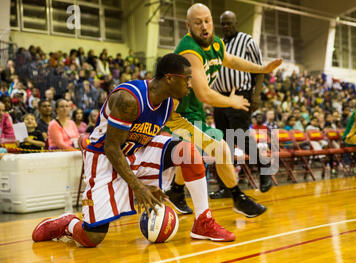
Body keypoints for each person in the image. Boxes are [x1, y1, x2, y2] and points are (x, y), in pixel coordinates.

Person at [32, 53, 235, 247]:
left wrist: (211, 143)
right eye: (187, 79)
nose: (191, 84)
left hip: (138, 150)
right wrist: (138, 187)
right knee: (92, 237)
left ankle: (203, 222)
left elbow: (173, 130)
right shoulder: (129, 99)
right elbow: (111, 148)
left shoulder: (171, 102)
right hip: (105, 156)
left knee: (188, 151)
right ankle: (68, 223)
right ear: (170, 78)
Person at [164, 3, 282, 217]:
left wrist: (261, 69)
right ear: (188, 25)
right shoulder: (189, 51)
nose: (204, 26)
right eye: (198, 22)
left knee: (192, 153)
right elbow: (205, 94)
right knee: (221, 148)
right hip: (176, 114)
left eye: (207, 20)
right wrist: (232, 101)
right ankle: (238, 197)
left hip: (194, 111)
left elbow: (231, 60)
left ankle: (176, 191)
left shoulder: (215, 44)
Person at [206, 10, 273, 199]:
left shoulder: (247, 41)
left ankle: (264, 167)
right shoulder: (217, 44)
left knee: (241, 137)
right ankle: (227, 187)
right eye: (223, 24)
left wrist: (256, 95)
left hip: (240, 95)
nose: (226, 27)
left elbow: (259, 70)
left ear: (236, 23)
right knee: (222, 143)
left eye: (229, 23)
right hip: (220, 97)